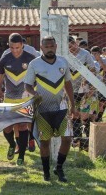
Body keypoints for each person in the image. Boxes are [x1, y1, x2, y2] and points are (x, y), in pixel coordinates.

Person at [24, 35, 76, 182]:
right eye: (46, 47)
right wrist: (35, 94)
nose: (49, 49)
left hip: (61, 108)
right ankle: (46, 172)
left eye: (52, 46)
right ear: (42, 48)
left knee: (67, 139)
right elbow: (27, 85)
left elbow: (68, 84)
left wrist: (73, 104)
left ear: (56, 47)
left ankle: (59, 167)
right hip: (43, 109)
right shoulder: (34, 64)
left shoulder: (63, 62)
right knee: (45, 142)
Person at [0, 33, 35, 166]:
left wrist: (34, 93)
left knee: (22, 126)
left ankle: (21, 155)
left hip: (25, 99)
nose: (15, 50)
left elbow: (37, 79)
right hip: (9, 98)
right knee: (7, 127)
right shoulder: (4, 59)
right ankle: (11, 144)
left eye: (18, 47)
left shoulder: (31, 59)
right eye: (12, 47)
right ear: (8, 46)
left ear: (22, 45)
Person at [68, 36, 95, 139]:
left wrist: (87, 81)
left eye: (73, 45)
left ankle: (88, 138)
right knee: (74, 113)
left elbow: (92, 68)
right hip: (70, 89)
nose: (72, 48)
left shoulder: (85, 54)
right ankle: (77, 137)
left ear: (76, 43)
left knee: (85, 114)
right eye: (69, 47)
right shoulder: (65, 55)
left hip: (84, 88)